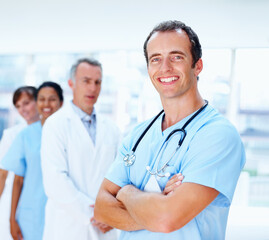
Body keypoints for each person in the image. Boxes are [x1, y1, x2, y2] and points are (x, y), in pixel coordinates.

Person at [94, 20, 246, 240]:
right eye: (156, 59)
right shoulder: (138, 135)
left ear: (198, 65)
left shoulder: (218, 135)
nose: (165, 68)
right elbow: (101, 208)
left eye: (176, 57)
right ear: (148, 68)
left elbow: (166, 219)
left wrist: (126, 193)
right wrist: (156, 204)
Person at [40, 58, 120, 240]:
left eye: (97, 82)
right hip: (68, 226)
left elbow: (120, 175)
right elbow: (55, 181)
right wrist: (95, 214)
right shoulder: (55, 125)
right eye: (86, 81)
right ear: (71, 84)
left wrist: (110, 213)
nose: (92, 88)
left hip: (105, 226)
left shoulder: (112, 129)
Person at [1, 81, 63, 240]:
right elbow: (18, 181)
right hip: (32, 214)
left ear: (61, 103)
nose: (47, 104)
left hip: (62, 211)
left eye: (52, 99)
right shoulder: (26, 135)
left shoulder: (69, 135)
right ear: (37, 103)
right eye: (42, 99)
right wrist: (11, 219)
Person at [0, 86, 39, 240]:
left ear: (38, 101)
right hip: (11, 200)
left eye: (26, 103)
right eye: (18, 106)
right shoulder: (11, 135)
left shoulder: (52, 132)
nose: (22, 109)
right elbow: (2, 175)